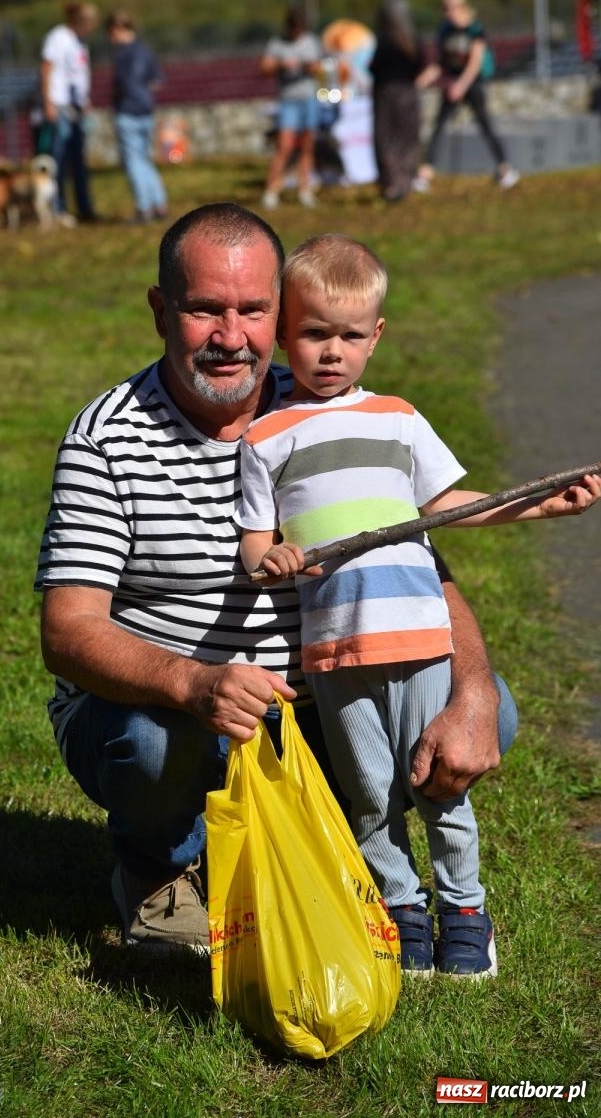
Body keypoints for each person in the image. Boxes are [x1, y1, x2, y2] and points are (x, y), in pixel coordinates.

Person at [35, 203, 518, 957]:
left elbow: (414, 554)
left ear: (282, 314)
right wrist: (195, 683)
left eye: (253, 311)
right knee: (150, 743)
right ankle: (160, 871)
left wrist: (477, 690)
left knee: (483, 710)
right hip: (177, 709)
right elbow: (68, 632)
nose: (231, 338)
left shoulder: (326, 407)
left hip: (323, 693)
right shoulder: (105, 438)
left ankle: (367, 863)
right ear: (160, 310)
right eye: (203, 310)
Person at [237, 233, 600, 976]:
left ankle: (463, 908)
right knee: (370, 796)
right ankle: (400, 908)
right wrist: (269, 558)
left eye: (348, 335)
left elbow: (448, 507)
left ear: (376, 337)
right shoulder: (264, 437)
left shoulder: (399, 420)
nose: (330, 352)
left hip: (420, 643)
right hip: (335, 655)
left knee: (436, 787)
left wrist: (540, 507)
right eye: (312, 334)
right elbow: (253, 546)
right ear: (283, 334)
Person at [415, 0, 519, 191]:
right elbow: (440, 63)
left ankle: (505, 168)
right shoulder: (445, 30)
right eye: (445, 8)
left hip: (472, 83)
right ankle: (426, 172)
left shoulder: (475, 30)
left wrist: (461, 86)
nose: (448, 12)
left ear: (462, 8)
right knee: (438, 127)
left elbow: (475, 62)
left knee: (485, 125)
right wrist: (421, 81)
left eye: (452, 7)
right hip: (452, 83)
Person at [106, 11, 169, 225]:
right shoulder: (145, 50)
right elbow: (158, 81)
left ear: (116, 29)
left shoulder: (122, 54)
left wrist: (118, 98)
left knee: (133, 161)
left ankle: (143, 208)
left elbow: (123, 84)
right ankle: (159, 203)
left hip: (128, 110)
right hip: (146, 110)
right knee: (144, 158)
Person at [40, 0, 99, 225]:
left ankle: (85, 207)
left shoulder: (80, 42)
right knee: (59, 159)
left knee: (79, 160)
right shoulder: (58, 38)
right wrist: (48, 103)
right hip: (60, 105)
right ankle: (57, 207)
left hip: (77, 107)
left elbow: (79, 74)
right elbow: (46, 69)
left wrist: (85, 100)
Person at [260, 6, 322, 210]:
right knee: (284, 146)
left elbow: (318, 67)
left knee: (307, 146)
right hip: (289, 101)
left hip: (309, 99)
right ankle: (271, 190)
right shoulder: (277, 44)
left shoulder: (311, 41)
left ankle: (305, 189)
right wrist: (281, 64)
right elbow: (264, 68)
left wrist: (304, 65)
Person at [369, 0, 427, 202]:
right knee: (408, 138)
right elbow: (421, 64)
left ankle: (392, 183)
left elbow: (374, 68)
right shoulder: (412, 40)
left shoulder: (385, 41)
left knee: (387, 137)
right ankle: (405, 180)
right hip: (409, 92)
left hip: (387, 92)